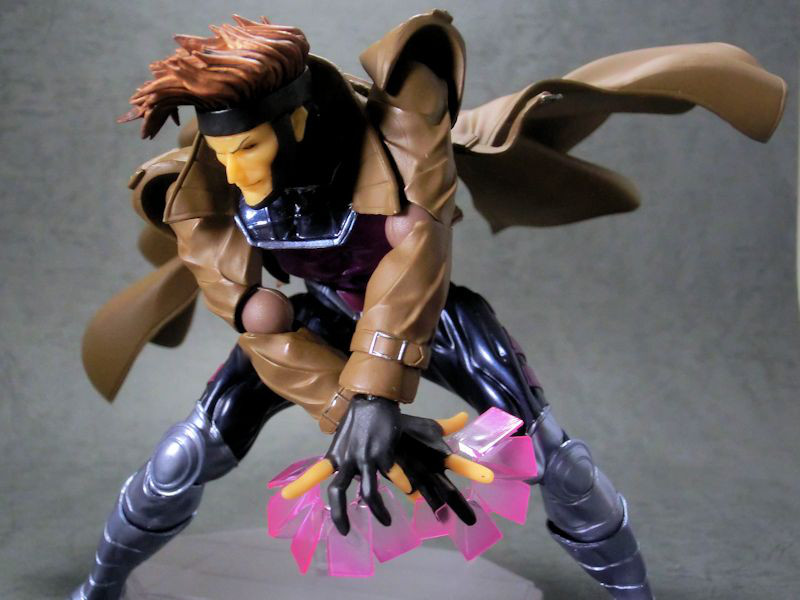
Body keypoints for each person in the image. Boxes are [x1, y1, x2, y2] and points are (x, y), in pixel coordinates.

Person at [73, 11, 786, 600]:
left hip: (429, 318)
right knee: (184, 454)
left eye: (250, 147)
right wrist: (350, 407)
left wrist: (377, 392)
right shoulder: (200, 181)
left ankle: (636, 593)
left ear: (294, 120)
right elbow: (253, 315)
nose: (236, 171)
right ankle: (99, 587)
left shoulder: (401, 122)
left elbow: (418, 249)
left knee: (557, 462)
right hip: (315, 324)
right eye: (223, 151)